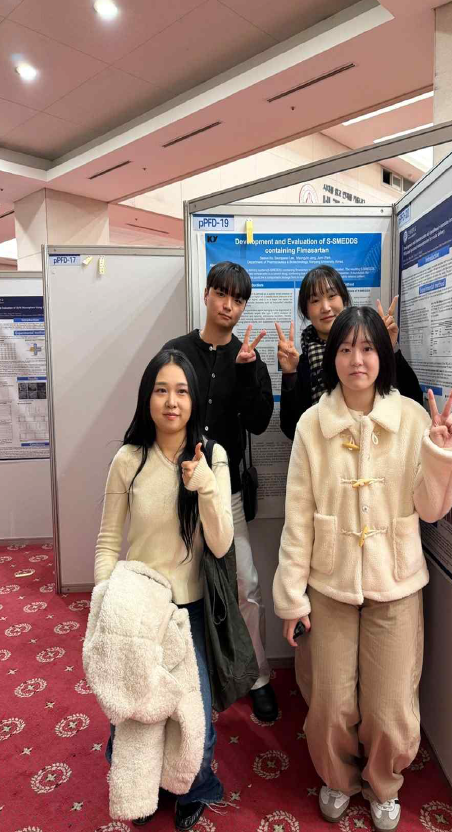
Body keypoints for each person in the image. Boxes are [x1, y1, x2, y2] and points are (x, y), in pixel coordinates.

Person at [273, 306, 452, 831]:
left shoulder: (412, 418)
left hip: (396, 580)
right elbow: (297, 518)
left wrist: (441, 453)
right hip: (328, 583)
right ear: (331, 356)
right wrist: (291, 597)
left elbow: (432, 509)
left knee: (390, 706)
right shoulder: (312, 424)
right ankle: (337, 778)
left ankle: (383, 783)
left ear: (382, 354)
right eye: (345, 349)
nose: (356, 360)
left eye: (367, 348)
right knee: (329, 702)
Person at [93, 348, 233, 830]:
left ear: (194, 400)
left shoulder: (211, 456)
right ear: (146, 397)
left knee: (194, 717)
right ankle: (142, 786)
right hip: (137, 607)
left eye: (182, 391)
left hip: (189, 609)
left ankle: (194, 786)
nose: (172, 402)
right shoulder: (128, 459)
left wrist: (204, 485)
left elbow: (221, 543)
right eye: (161, 390)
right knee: (135, 709)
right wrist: (103, 602)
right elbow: (108, 540)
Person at [163, 261, 278, 723]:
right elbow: (159, 411)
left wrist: (247, 372)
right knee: (174, 584)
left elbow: (259, 423)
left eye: (239, 299)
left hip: (225, 493)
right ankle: (183, 677)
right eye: (223, 295)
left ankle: (258, 677)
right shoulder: (176, 351)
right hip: (177, 488)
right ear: (207, 295)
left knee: (245, 585)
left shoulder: (249, 357)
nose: (229, 306)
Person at [275, 264, 423, 441]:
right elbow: (292, 428)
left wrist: (388, 348)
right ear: (306, 311)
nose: (325, 307)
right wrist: (290, 373)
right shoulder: (303, 363)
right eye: (315, 300)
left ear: (344, 299)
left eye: (332, 296)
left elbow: (412, 400)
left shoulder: (370, 354)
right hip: (324, 451)